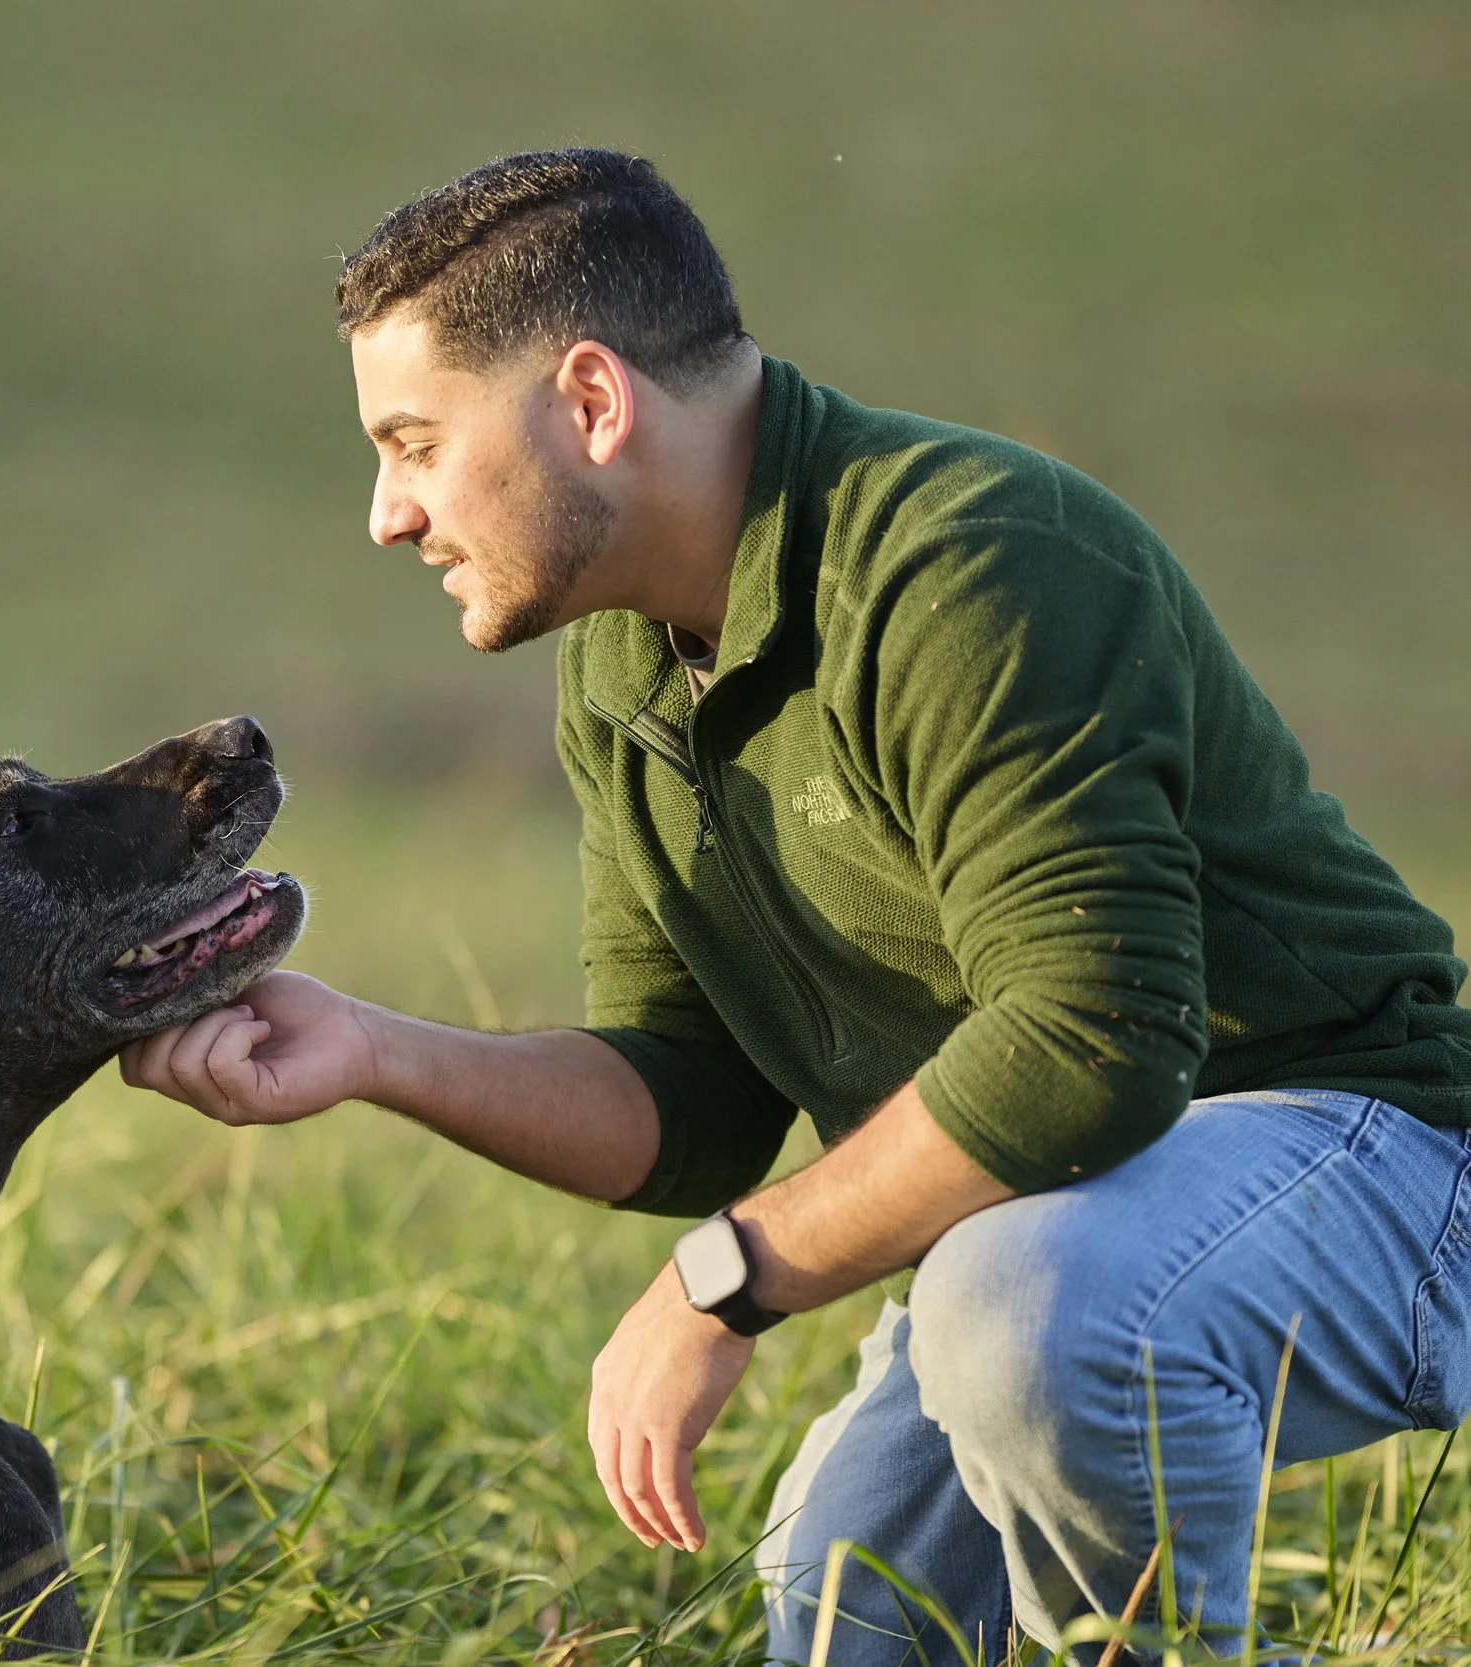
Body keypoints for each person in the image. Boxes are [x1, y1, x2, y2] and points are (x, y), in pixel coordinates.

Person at [118, 148, 1471, 1662]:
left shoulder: (969, 561)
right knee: (843, 1607)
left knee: (1028, 1314)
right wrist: (371, 1048)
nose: (387, 513)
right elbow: (691, 1099)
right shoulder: (624, 664)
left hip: (1382, 1158)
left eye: (415, 443)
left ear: (590, 401)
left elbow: (1102, 1032)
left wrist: (725, 1283)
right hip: (1050, 1214)